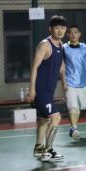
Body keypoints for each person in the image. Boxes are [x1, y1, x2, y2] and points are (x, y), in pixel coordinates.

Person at [27, 15, 67, 162]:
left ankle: (38, 149)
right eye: (57, 27)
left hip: (49, 90)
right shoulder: (45, 45)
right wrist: (32, 89)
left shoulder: (61, 45)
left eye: (62, 28)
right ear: (50, 29)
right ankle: (48, 151)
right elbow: (34, 67)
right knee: (56, 117)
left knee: (44, 120)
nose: (60, 30)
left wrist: (64, 82)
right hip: (41, 90)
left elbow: (61, 66)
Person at [63, 25, 86, 140]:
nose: (73, 34)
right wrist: (63, 81)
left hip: (83, 82)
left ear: (79, 34)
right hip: (69, 82)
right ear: (67, 35)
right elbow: (60, 65)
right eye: (71, 32)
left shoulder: (84, 47)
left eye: (76, 32)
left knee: (78, 108)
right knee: (73, 107)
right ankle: (74, 128)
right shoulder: (64, 48)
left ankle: (73, 127)